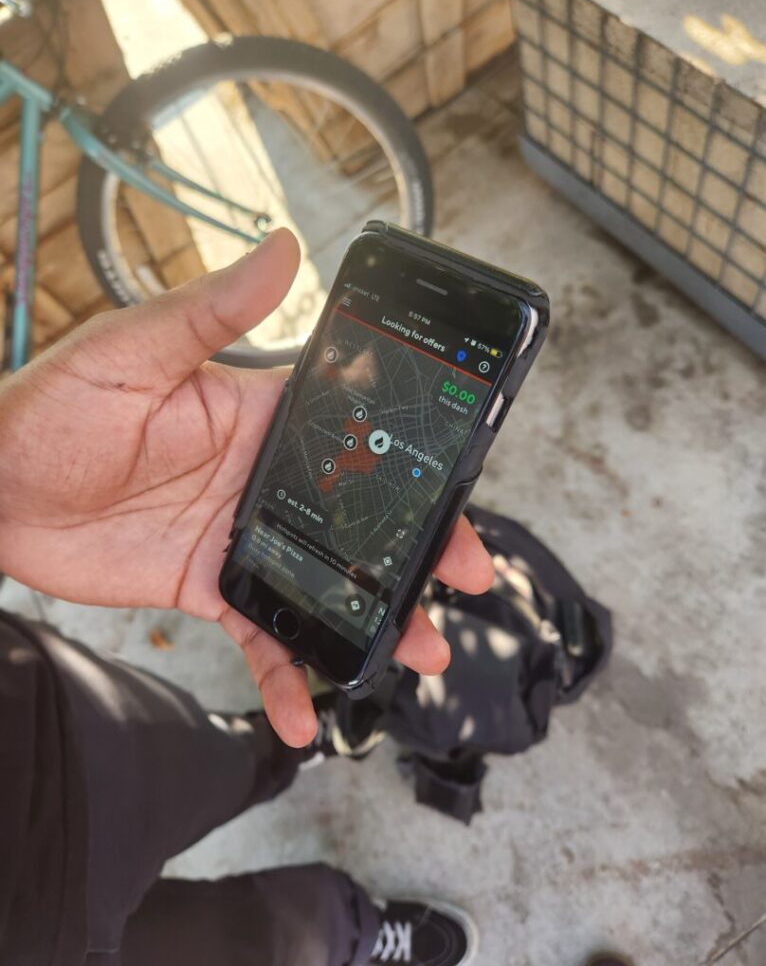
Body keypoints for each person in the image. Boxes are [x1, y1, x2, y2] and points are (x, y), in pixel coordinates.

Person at [0, 229, 633, 966]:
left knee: (231, 859)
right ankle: (334, 904)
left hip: (36, 725)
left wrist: (7, 490)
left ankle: (343, 911)